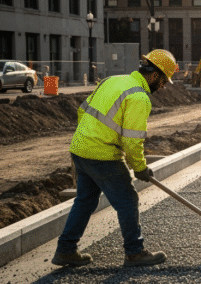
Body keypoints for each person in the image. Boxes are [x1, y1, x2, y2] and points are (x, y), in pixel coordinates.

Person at [52, 49, 178, 268]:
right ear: (155, 75)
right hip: (103, 155)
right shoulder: (138, 97)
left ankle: (66, 250)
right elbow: (132, 141)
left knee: (85, 201)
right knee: (127, 200)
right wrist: (140, 167)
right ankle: (135, 252)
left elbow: (83, 111)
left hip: (80, 149)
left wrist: (88, 138)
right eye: (165, 80)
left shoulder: (112, 80)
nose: (164, 85)